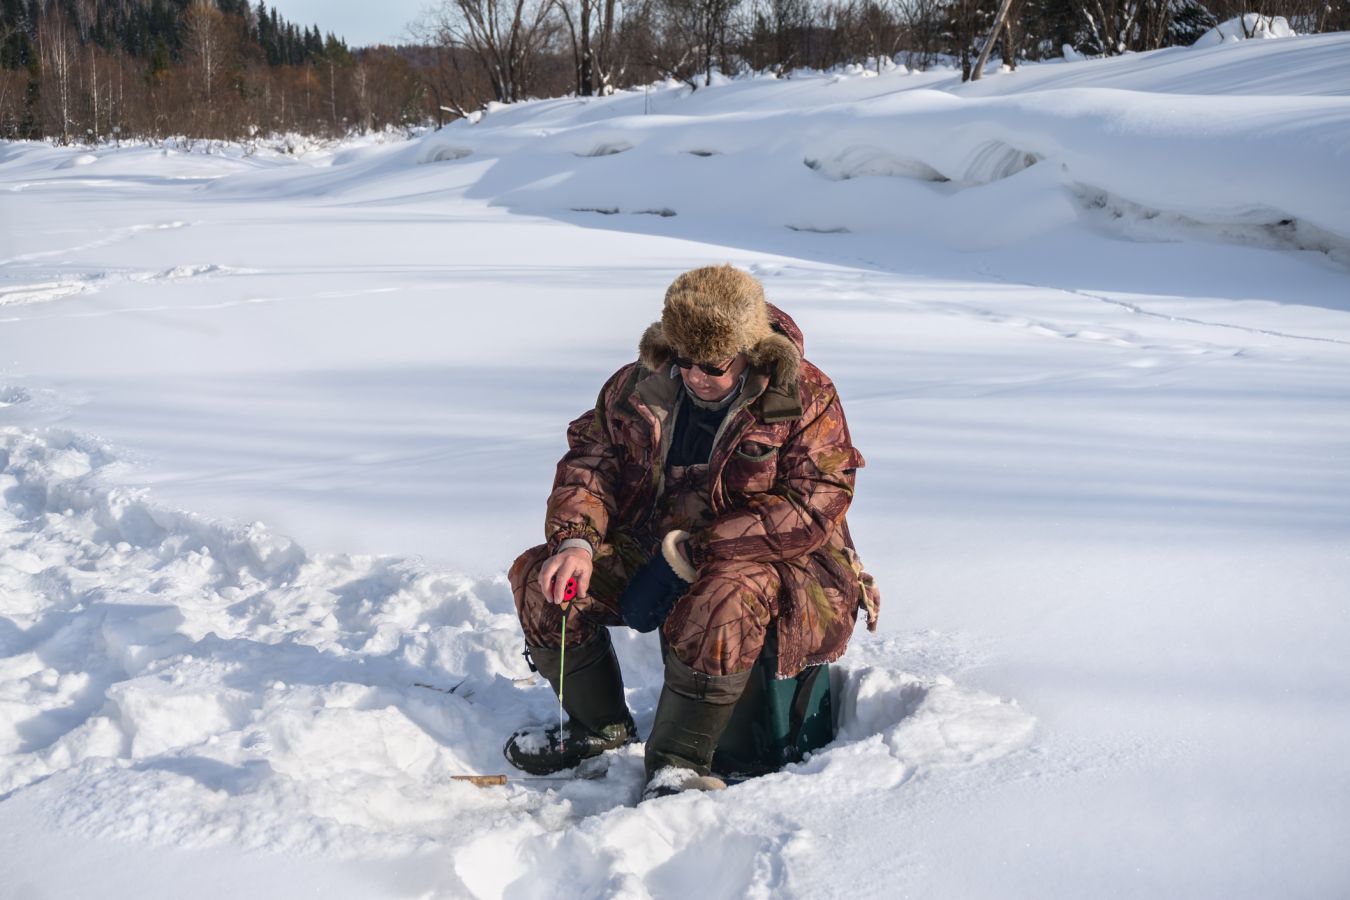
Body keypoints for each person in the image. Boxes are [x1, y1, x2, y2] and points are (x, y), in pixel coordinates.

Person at [505, 264, 879, 799]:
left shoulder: (805, 396)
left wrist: (696, 551)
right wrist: (577, 540)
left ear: (749, 350)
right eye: (683, 361)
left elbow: (815, 504)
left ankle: (679, 762)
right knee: (539, 578)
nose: (695, 376)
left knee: (722, 598)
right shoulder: (636, 386)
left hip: (780, 562)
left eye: (712, 365)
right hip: (652, 543)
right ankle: (599, 731)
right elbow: (591, 462)